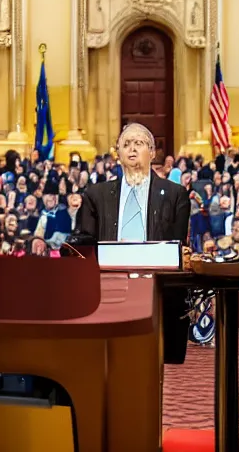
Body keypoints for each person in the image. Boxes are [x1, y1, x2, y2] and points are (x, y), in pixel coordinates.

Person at [76, 122, 191, 364]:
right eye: (125, 144)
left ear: (152, 152)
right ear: (117, 154)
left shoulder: (175, 195)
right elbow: (83, 244)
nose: (132, 149)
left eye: (138, 143)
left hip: (157, 290)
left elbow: (176, 247)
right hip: (108, 290)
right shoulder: (95, 196)